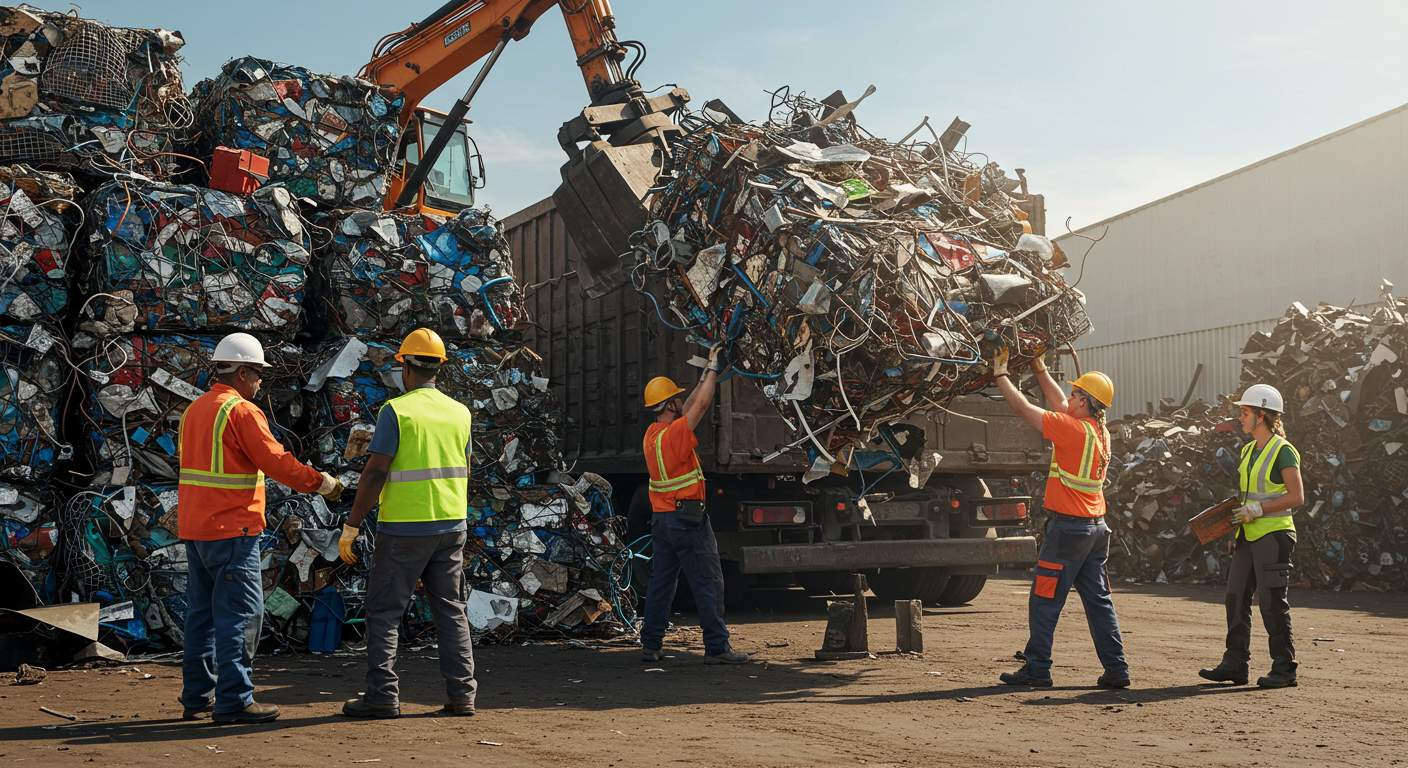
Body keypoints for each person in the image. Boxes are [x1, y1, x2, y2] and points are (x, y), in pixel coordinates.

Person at [178, 332, 343, 724]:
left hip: (196, 528)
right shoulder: (241, 411)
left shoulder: (195, 410)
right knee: (241, 614)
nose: (259, 383)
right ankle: (234, 700)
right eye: (258, 375)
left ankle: (197, 697)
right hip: (232, 529)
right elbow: (277, 462)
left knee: (201, 616)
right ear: (242, 372)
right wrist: (322, 483)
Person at [339, 328, 478, 718]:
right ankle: (462, 695)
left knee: (384, 611)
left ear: (406, 366)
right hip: (451, 525)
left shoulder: (396, 411)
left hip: (403, 527)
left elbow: (374, 472)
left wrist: (352, 525)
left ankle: (382, 696)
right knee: (451, 609)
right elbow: (465, 469)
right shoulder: (460, 413)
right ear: (439, 368)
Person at [990, 349, 1130, 689]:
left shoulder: (1072, 431)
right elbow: (1060, 404)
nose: (1069, 397)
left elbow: (1023, 408)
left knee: (1044, 598)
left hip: (1069, 530)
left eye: (1075, 394)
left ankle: (1038, 669)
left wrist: (1000, 375)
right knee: (1099, 603)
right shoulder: (1100, 431)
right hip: (1095, 530)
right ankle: (1117, 669)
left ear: (1084, 402)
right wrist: (1039, 369)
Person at [638, 345, 748, 664]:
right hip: (688, 520)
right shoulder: (676, 436)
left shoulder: (653, 434)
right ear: (669, 404)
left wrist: (703, 377)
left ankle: (651, 644)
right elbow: (699, 406)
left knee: (661, 583)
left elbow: (687, 408)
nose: (679, 402)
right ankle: (717, 647)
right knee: (708, 582)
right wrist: (713, 370)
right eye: (675, 399)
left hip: (663, 522)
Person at [1200, 384, 1304, 689]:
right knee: (1235, 598)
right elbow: (1245, 496)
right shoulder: (1247, 450)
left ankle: (1284, 669)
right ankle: (1235, 664)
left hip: (1274, 534)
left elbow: (1297, 496)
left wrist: (1258, 510)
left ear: (1262, 415)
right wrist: (1236, 528)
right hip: (1248, 534)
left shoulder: (1283, 450)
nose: (1240, 418)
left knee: (1272, 603)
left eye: (1244, 413)